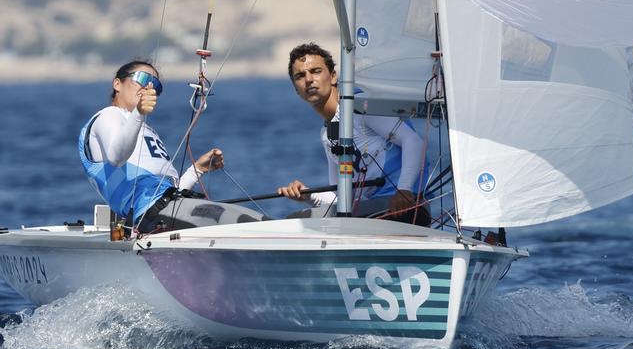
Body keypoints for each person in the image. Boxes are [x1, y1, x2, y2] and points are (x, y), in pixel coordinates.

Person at [79, 60, 265, 233]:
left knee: (258, 222)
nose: (149, 86)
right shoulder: (108, 116)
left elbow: (169, 190)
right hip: (151, 215)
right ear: (117, 84)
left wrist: (197, 170)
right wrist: (139, 113)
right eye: (142, 78)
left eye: (156, 85)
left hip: (169, 209)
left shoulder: (146, 130)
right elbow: (116, 157)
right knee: (248, 225)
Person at [277, 43, 431, 226]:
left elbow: (414, 142)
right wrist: (309, 195)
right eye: (300, 76)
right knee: (305, 216)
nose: (309, 79)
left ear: (333, 76)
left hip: (405, 206)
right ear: (296, 88)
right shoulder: (327, 133)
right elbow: (342, 199)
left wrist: (404, 190)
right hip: (374, 213)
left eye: (316, 71)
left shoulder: (360, 105)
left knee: (298, 221)